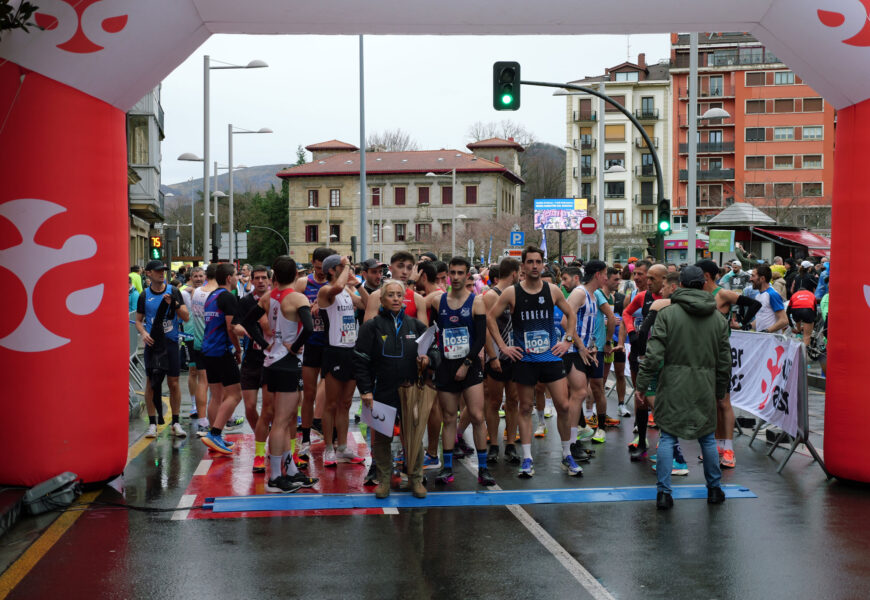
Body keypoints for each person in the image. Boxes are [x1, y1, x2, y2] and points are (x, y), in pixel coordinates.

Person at [635, 265, 730, 510]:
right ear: (703, 285)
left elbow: (653, 355)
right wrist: (720, 390)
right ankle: (714, 489)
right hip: (705, 383)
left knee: (667, 436)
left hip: (673, 383)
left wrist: (642, 385)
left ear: (681, 285)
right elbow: (724, 362)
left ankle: (664, 493)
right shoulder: (718, 318)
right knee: (707, 438)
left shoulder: (668, 314)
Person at [486, 246, 577, 478]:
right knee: (525, 407)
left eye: (538, 262)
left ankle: (567, 454)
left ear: (543, 264)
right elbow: (490, 318)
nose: (535, 266)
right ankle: (527, 458)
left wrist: (567, 340)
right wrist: (504, 347)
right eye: (530, 262)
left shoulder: (553, 290)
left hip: (550, 357)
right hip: (525, 359)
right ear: (523, 266)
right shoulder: (512, 293)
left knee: (564, 406)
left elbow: (571, 313)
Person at [355, 279, 437, 499]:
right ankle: (383, 480)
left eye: (399, 295)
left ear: (404, 299)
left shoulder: (416, 325)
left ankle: (416, 479)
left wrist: (428, 359)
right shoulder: (371, 327)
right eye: (390, 295)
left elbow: (435, 350)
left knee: (413, 436)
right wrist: (365, 390)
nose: (395, 299)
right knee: (382, 438)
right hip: (382, 389)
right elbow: (361, 361)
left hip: (411, 390)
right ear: (381, 299)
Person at [245, 256, 318, 493]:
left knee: (284, 421)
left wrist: (263, 343)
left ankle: (291, 470)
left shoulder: (269, 296)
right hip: (287, 363)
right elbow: (309, 327)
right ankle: (276, 477)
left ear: (273, 275)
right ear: (296, 275)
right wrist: (295, 347)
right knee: (281, 423)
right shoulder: (297, 297)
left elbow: (248, 321)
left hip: (272, 361)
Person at [426, 257, 495, 486]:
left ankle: (483, 469)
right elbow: (426, 323)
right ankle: (447, 469)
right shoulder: (438, 301)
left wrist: (466, 364)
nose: (455, 277)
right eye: (451, 273)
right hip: (446, 365)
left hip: (470, 364)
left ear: (467, 276)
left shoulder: (477, 302)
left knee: (476, 415)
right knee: (448, 418)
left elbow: (480, 338)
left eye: (460, 273)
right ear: (446, 275)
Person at [696, 260, 762, 469]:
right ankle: (716, 447)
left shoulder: (722, 294)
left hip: (721, 355)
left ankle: (729, 450)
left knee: (724, 402)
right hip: (703, 355)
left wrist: (741, 323)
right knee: (713, 403)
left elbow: (755, 304)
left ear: (706, 275)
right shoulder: (700, 295)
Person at [318, 254, 368, 466]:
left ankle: (343, 447)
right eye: (342, 266)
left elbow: (365, 304)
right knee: (331, 404)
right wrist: (347, 266)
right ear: (332, 270)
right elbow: (336, 289)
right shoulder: (326, 291)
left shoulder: (347, 289)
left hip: (351, 350)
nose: (346, 269)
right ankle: (329, 447)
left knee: (346, 403)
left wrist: (359, 284)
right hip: (334, 351)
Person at [135, 260, 189, 438]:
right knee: (151, 384)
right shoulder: (144, 295)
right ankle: (152, 424)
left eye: (164, 271)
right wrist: (143, 333)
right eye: (158, 271)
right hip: (153, 345)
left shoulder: (173, 291)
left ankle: (175, 422)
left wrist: (174, 304)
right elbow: (138, 320)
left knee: (173, 383)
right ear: (148, 274)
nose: (162, 273)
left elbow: (186, 317)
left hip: (171, 343)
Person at [619, 263, 666, 450]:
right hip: (642, 353)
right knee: (641, 397)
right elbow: (626, 312)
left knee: (660, 398)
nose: (646, 281)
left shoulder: (669, 298)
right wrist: (631, 333)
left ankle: (667, 442)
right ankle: (641, 437)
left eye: (650, 278)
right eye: (645, 278)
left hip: (664, 355)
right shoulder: (642, 296)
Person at [295, 247, 335, 461]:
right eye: (318, 269)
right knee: (308, 395)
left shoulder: (336, 286)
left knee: (331, 397)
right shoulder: (304, 284)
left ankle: (331, 441)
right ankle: (306, 439)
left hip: (331, 345)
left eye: (324, 270)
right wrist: (305, 311)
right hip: (311, 344)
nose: (321, 273)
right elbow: (290, 310)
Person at [200, 263, 245, 454]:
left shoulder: (212, 295)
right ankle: (216, 434)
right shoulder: (228, 297)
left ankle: (214, 436)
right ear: (229, 278)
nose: (238, 278)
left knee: (216, 396)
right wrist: (238, 349)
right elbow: (231, 327)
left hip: (208, 350)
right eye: (236, 275)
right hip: (222, 351)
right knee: (235, 395)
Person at [231, 265, 272, 472]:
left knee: (267, 409)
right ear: (252, 280)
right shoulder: (246, 301)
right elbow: (235, 325)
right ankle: (261, 437)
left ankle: (263, 447)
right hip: (251, 358)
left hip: (271, 358)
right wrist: (240, 330)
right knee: (249, 406)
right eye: (257, 278)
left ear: (270, 279)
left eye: (264, 277)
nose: (261, 281)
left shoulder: (276, 299)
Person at [482, 259, 522, 465]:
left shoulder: (516, 293)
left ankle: (511, 444)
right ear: (514, 273)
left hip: (515, 355)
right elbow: (487, 328)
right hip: (497, 355)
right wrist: (493, 355)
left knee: (513, 400)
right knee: (494, 401)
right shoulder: (491, 295)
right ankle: (494, 445)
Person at [180, 267, 205, 421]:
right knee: (193, 371)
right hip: (189, 335)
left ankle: (204, 404)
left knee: (206, 373)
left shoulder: (209, 292)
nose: (198, 279)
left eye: (200, 276)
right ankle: (194, 404)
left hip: (205, 336)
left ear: (205, 277)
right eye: (195, 276)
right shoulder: (184, 292)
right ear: (191, 277)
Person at [751, 265, 788, 334]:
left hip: (771, 341)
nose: (750, 279)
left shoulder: (772, 294)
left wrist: (767, 331)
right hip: (762, 340)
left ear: (762, 278)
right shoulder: (758, 296)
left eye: (753, 276)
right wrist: (748, 326)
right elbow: (761, 318)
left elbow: (784, 320)